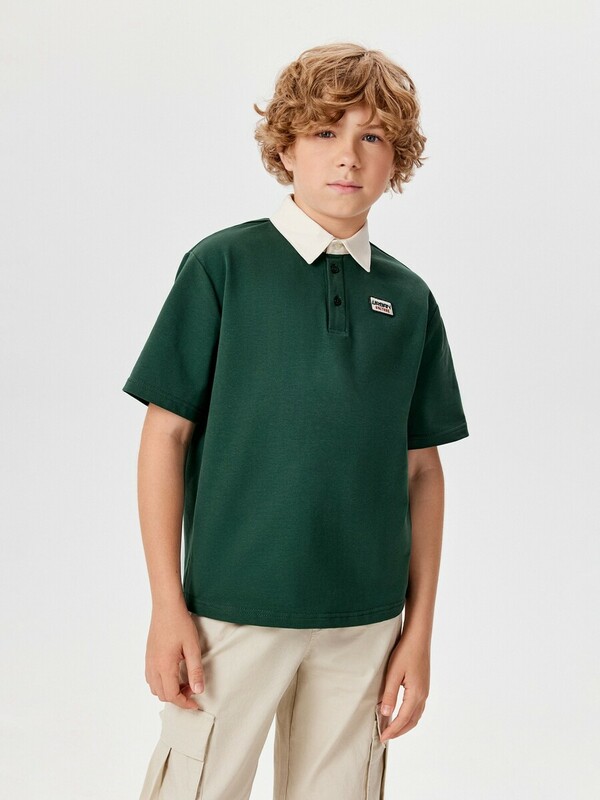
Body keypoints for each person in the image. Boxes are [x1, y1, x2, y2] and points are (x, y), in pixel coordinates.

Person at [123, 42, 469, 800]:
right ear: (285, 146)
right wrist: (166, 606)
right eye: (324, 131)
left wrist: (418, 631)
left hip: (364, 622)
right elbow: (165, 435)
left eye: (371, 136)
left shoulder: (410, 300)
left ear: (396, 158)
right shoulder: (222, 267)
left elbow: (422, 470)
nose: (348, 155)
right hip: (231, 610)